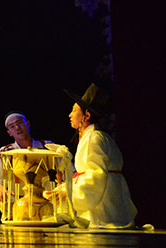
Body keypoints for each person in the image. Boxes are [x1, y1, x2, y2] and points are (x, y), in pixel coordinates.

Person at [63, 83, 137, 228]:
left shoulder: (94, 138)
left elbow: (95, 177)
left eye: (74, 111)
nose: (70, 115)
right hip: (111, 198)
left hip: (103, 204)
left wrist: (69, 192)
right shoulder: (97, 136)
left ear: (86, 116)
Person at [0, 112, 51, 200]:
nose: (17, 128)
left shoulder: (46, 146)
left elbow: (63, 169)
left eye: (19, 123)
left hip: (46, 197)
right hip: (16, 199)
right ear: (9, 132)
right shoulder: (6, 151)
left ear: (28, 123)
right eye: (12, 126)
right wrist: (2, 191)